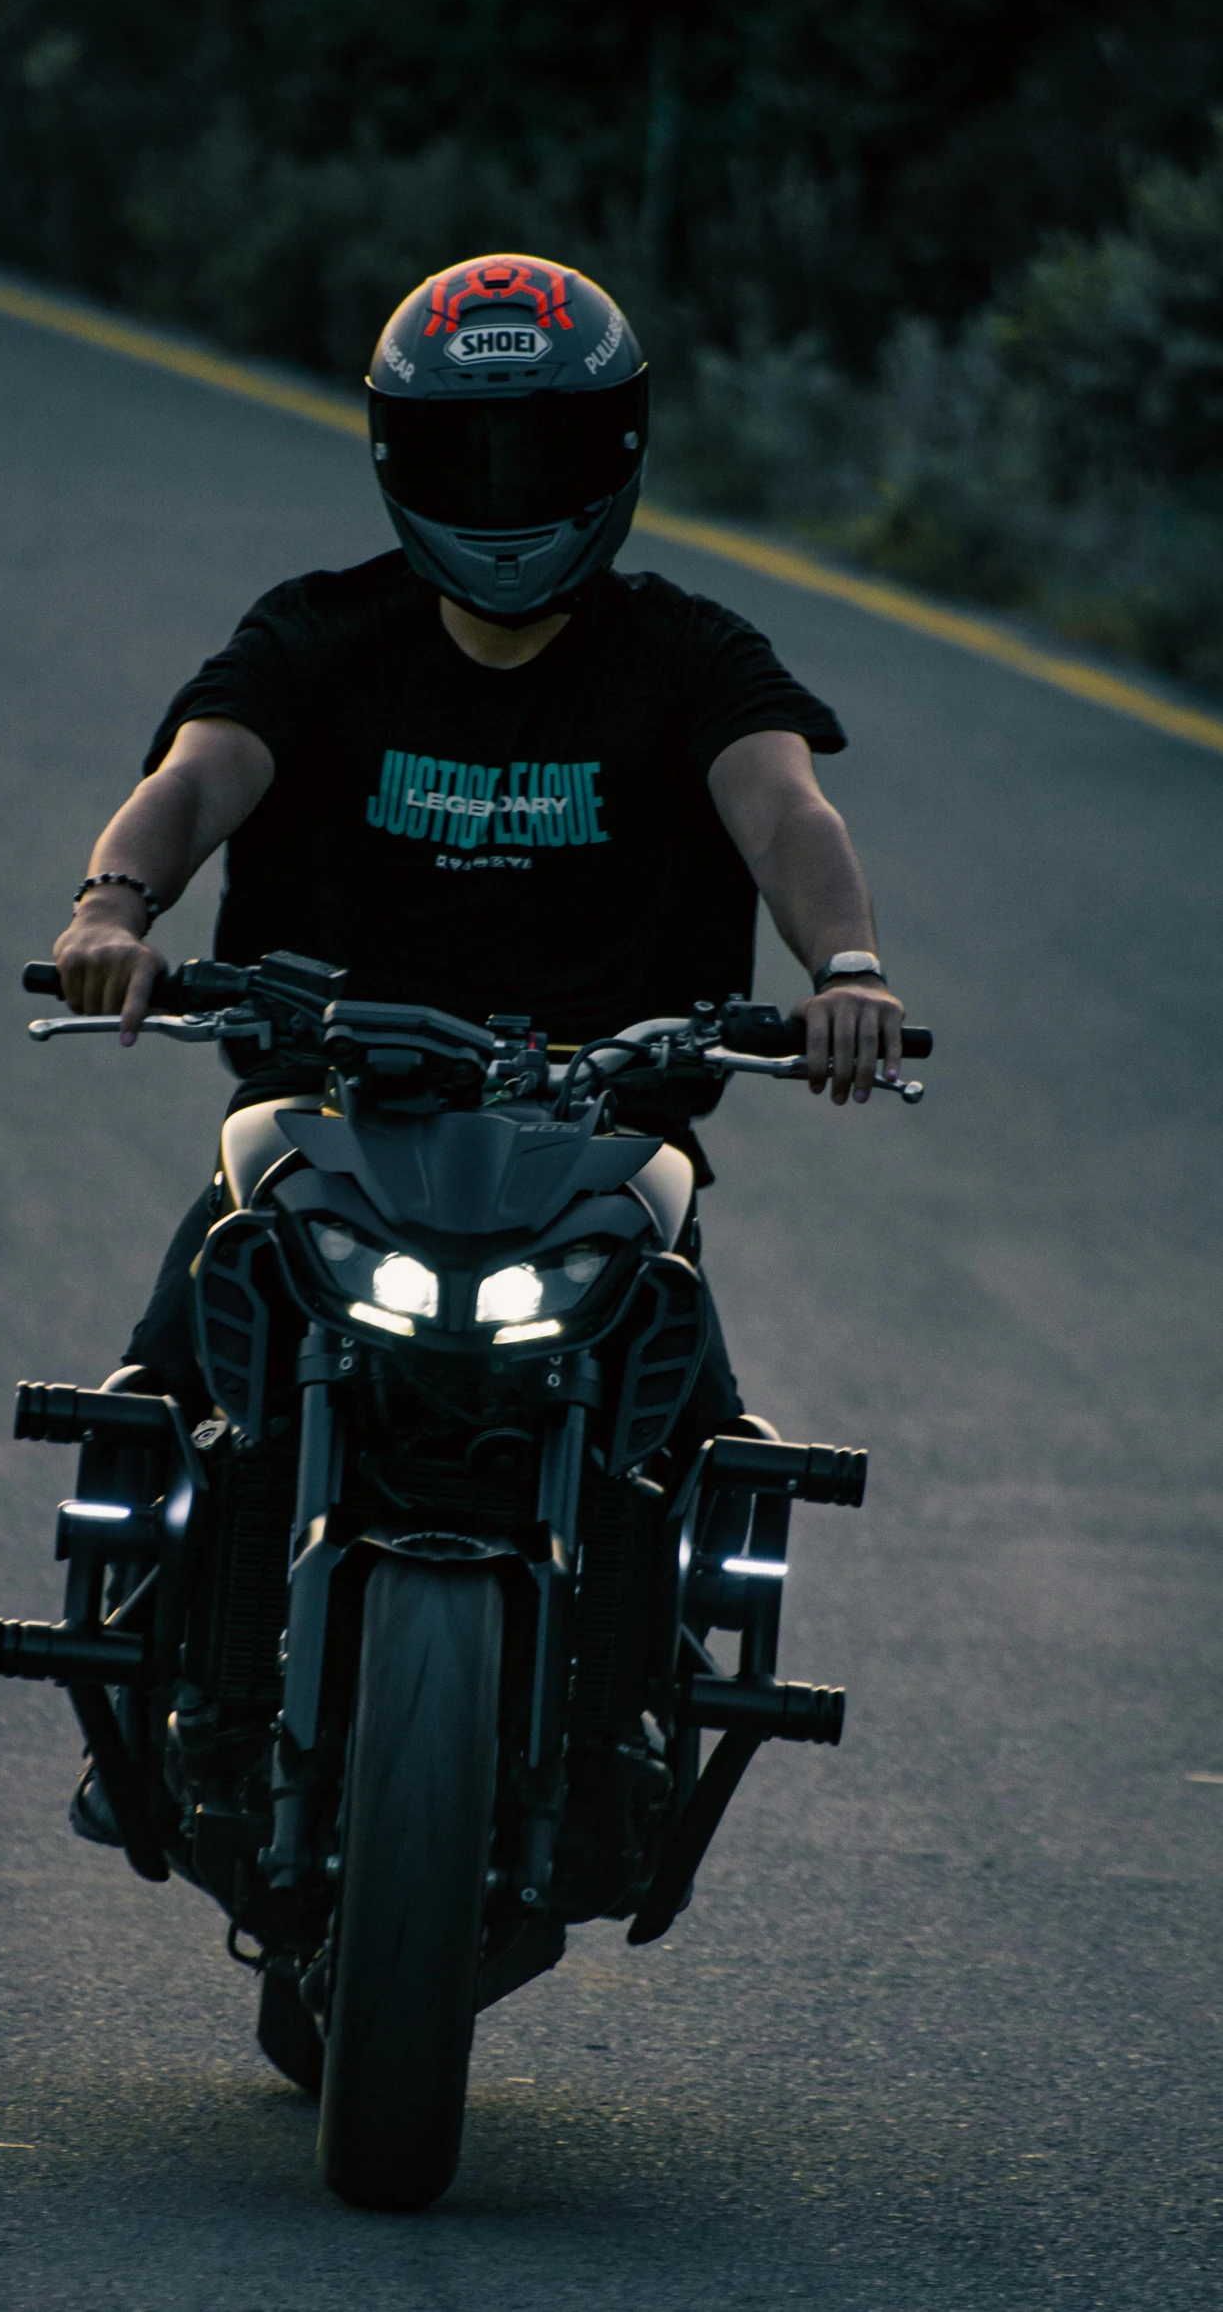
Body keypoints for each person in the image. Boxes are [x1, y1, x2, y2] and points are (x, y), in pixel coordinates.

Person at [53, 254, 903, 1837]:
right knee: (163, 1377)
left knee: (702, 1436)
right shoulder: (312, 636)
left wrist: (844, 966)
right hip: (327, 1106)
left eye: (546, 453)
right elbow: (196, 773)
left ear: (621, 456)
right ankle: (145, 1674)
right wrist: (113, 905)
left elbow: (785, 807)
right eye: (467, 455)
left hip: (600, 1130)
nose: (507, 496)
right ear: (396, 460)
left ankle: (633, 1707)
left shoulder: (695, 656)